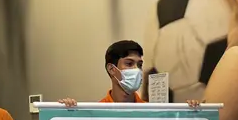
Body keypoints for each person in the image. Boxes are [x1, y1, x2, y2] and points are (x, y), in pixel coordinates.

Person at [60, 40, 201, 107]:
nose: (137, 70)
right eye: (129, 64)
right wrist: (66, 113)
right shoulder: (96, 113)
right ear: (112, 69)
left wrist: (191, 114)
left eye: (139, 65)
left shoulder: (151, 112)